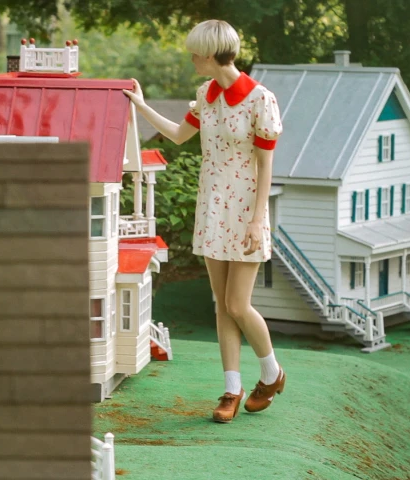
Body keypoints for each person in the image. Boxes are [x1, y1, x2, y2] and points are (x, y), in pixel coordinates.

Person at [123, 19, 285, 424]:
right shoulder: (205, 95)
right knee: (222, 306)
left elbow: (266, 165)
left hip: (247, 212)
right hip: (212, 210)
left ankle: (272, 373)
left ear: (211, 55)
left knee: (237, 304)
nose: (192, 58)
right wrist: (141, 107)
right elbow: (179, 135)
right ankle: (232, 389)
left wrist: (256, 219)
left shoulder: (261, 100)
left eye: (195, 53)